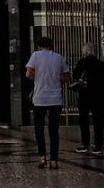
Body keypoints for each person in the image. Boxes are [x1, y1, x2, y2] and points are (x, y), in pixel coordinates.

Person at [27, 35, 71, 169]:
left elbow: (28, 74)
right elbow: (67, 77)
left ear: (39, 46)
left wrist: (38, 79)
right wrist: (57, 80)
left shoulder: (35, 56)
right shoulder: (59, 57)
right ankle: (54, 160)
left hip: (40, 98)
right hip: (55, 98)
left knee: (39, 128)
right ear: (52, 46)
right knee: (53, 129)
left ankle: (42, 157)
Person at [73, 43, 104, 155]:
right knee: (98, 121)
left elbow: (75, 76)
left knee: (83, 120)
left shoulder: (81, 63)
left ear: (84, 52)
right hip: (98, 97)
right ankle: (98, 146)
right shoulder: (100, 64)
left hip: (84, 96)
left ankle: (85, 144)